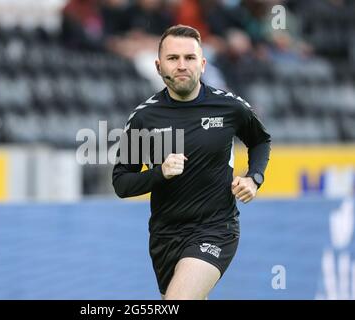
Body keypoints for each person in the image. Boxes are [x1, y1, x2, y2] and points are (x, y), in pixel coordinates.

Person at [112, 24, 271, 300]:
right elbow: (122, 183)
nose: (182, 65)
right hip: (165, 236)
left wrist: (254, 177)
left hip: (216, 229)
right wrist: (160, 173)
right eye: (173, 59)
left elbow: (260, 141)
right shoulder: (144, 118)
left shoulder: (229, 107)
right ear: (159, 66)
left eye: (190, 58)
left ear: (203, 64)